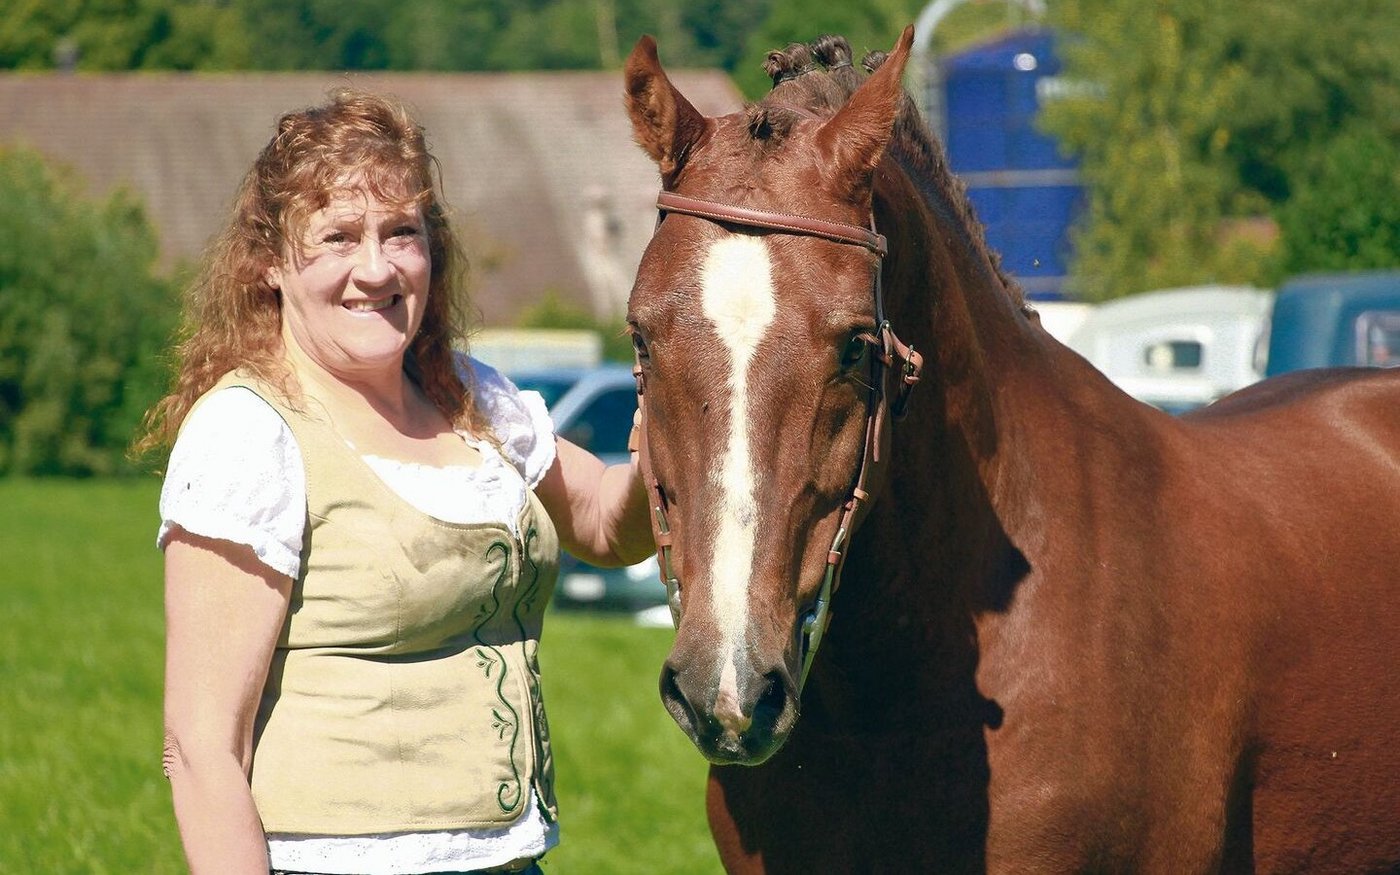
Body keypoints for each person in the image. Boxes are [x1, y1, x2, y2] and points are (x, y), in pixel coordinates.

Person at [134, 89, 654, 875]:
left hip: (511, 861)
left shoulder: (473, 397)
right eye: (338, 236)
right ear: (270, 263)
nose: (375, 268)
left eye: (401, 233)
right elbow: (202, 746)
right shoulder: (249, 431)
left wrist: (679, 421)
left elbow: (607, 523)